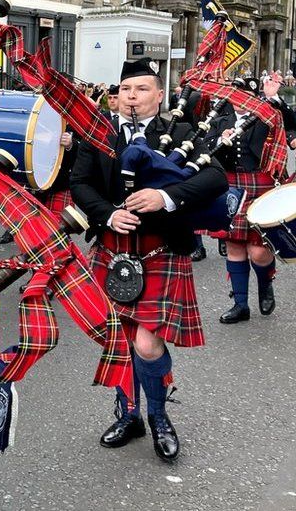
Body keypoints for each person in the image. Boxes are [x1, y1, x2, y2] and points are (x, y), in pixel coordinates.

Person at [71, 57, 228, 462]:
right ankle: (128, 415)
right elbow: (80, 184)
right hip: (113, 246)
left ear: (160, 95)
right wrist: (106, 212)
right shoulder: (99, 132)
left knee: (147, 343)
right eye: (125, 89)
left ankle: (157, 416)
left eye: (141, 90)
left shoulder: (180, 131)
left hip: (161, 247)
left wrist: (166, 197)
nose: (131, 97)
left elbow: (216, 179)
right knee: (121, 340)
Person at [207, 76, 295, 324]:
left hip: (262, 184)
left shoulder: (267, 117)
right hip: (230, 185)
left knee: (258, 251)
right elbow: (203, 146)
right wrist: (218, 139)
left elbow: (289, 122)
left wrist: (274, 99)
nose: (240, 98)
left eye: (246, 94)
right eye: (237, 93)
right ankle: (240, 304)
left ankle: (266, 284)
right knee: (234, 246)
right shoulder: (221, 119)